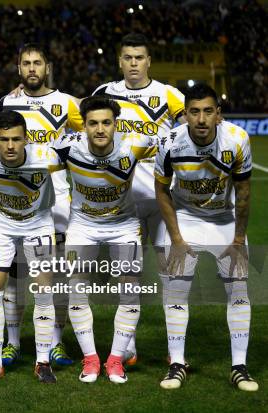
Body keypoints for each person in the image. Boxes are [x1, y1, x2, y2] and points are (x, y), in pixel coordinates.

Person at [0, 43, 83, 367]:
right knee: (14, 274)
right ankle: (12, 342)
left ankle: (55, 342)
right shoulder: (8, 102)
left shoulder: (66, 103)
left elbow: (88, 138)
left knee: (56, 277)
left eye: (37, 63)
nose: (32, 68)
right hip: (16, 202)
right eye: (26, 63)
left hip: (58, 201)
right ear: (18, 68)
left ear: (47, 67)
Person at [154, 84, 257, 392]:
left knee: (238, 289)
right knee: (176, 289)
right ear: (184, 114)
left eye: (208, 111)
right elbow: (162, 190)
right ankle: (177, 364)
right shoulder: (169, 142)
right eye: (194, 112)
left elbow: (244, 192)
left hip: (224, 219)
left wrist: (238, 241)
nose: (200, 119)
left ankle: (239, 367)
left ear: (218, 115)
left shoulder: (238, 140)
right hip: (184, 217)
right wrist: (176, 238)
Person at [92, 33, 186, 366]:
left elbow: (193, 133)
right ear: (120, 61)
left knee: (170, 275)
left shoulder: (169, 95)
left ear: (149, 61)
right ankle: (127, 347)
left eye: (139, 57)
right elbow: (74, 122)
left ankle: (177, 356)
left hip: (163, 200)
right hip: (123, 204)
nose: (133, 63)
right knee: (127, 275)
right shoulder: (105, 93)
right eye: (128, 57)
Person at [52, 96, 156, 384]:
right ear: (83, 126)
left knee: (130, 289)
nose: (100, 129)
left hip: (124, 226)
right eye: (93, 123)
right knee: (76, 289)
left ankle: (115, 360)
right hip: (82, 227)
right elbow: (23, 151)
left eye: (106, 123)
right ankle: (91, 359)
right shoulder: (67, 146)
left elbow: (175, 139)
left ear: (116, 125)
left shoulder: (134, 144)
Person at [0, 110, 62, 384]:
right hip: (0, 225)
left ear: (27, 139)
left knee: (43, 291)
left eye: (16, 139)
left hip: (38, 224)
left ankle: (43, 361)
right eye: (4, 139)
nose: (10, 146)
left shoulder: (47, 156)